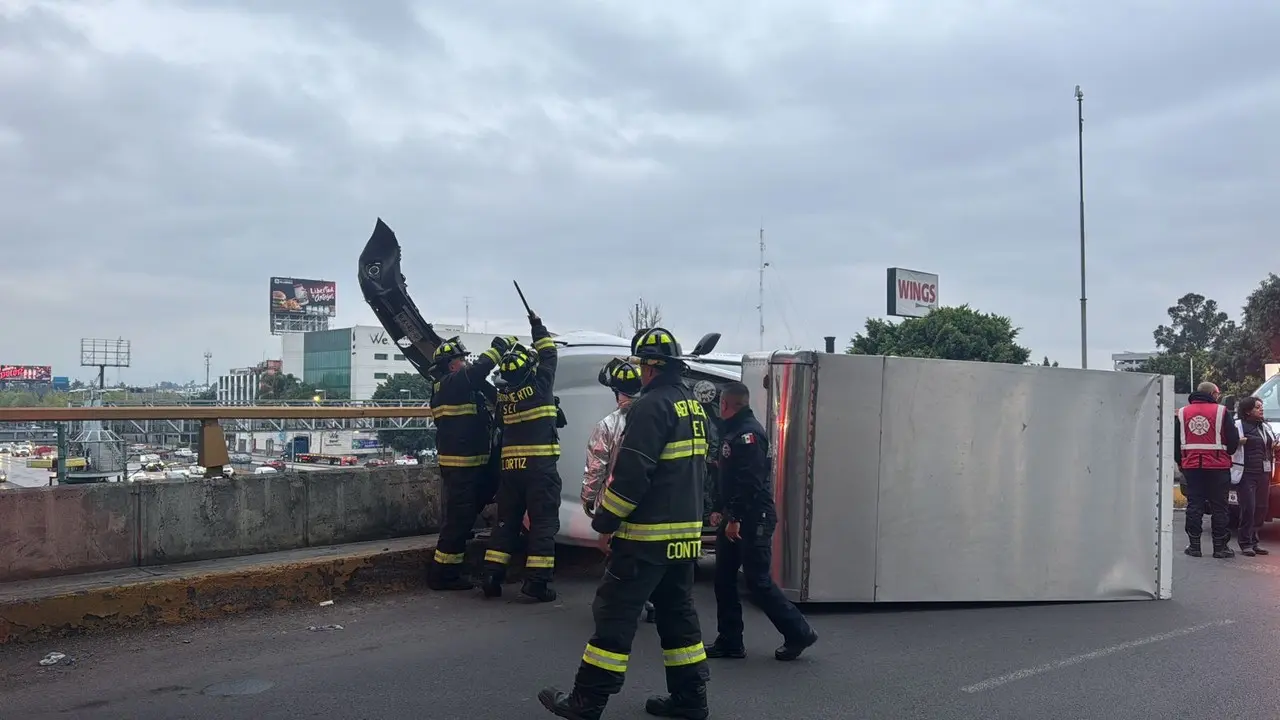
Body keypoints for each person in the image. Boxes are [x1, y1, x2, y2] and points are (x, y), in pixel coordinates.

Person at [539, 327, 711, 720]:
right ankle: (691, 699)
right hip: (683, 538)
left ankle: (587, 701)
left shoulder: (649, 407)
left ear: (649, 368)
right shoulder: (691, 405)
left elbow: (632, 474)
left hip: (646, 538)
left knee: (614, 615)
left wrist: (605, 519)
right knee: (678, 617)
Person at [704, 381, 818, 662]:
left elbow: (750, 482)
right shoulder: (732, 432)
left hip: (753, 518)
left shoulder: (749, 435)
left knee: (758, 581)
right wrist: (720, 509)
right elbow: (728, 478)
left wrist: (736, 518)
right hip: (736, 516)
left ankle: (799, 632)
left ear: (727, 405)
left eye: (721, 404)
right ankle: (730, 641)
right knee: (724, 579)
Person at [481, 313, 562, 602]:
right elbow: (549, 355)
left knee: (506, 523)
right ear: (529, 369)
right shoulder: (540, 387)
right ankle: (537, 582)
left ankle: (492, 575)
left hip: (510, 470)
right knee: (543, 524)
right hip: (540, 470)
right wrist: (538, 326)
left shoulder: (504, 397)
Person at [426, 335, 510, 591]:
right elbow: (477, 371)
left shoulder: (462, 387)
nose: (464, 363)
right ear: (451, 365)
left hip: (474, 463)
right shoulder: (450, 384)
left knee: (470, 510)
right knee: (459, 520)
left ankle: (450, 569)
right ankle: (443, 575)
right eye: (461, 359)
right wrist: (498, 350)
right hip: (460, 465)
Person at [581, 358, 658, 624]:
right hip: (648, 501)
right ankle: (652, 600)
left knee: (618, 556)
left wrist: (589, 501)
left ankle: (617, 605)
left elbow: (595, 469)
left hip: (615, 503)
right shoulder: (654, 419)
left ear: (616, 391)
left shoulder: (607, 425)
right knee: (647, 555)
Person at [1175, 381, 1240, 559]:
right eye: (1217, 393)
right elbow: (1233, 439)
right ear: (1212, 394)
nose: (1218, 396)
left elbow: (1175, 442)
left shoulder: (1182, 413)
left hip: (1192, 467)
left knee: (1194, 505)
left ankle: (1194, 546)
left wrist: (1182, 463)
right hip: (1218, 467)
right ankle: (1220, 548)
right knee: (1220, 506)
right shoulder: (1221, 411)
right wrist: (1227, 453)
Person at [1232, 396, 1277, 556]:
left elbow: (1271, 442)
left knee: (1261, 508)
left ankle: (1254, 540)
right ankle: (1245, 542)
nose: (1261, 409)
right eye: (1258, 407)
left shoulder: (1264, 426)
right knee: (1248, 508)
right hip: (1246, 473)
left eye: (1261, 406)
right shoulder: (1238, 425)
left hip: (1263, 473)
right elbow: (1229, 444)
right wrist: (1238, 441)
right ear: (1247, 410)